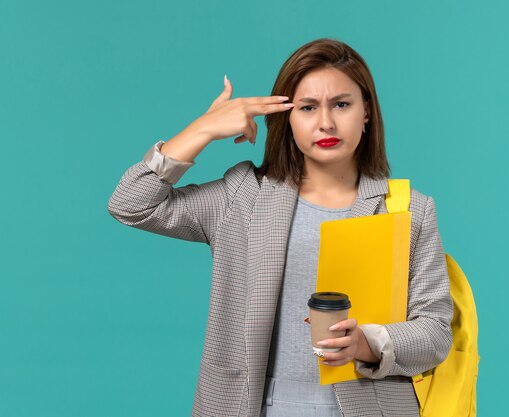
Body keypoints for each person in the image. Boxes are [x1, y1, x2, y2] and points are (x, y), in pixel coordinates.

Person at [108, 38, 453, 417]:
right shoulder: (243, 197)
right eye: (307, 107)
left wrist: (366, 342)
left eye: (342, 104)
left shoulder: (409, 210)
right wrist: (202, 130)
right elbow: (131, 204)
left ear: (366, 111)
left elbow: (435, 332)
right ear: (287, 117)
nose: (326, 122)